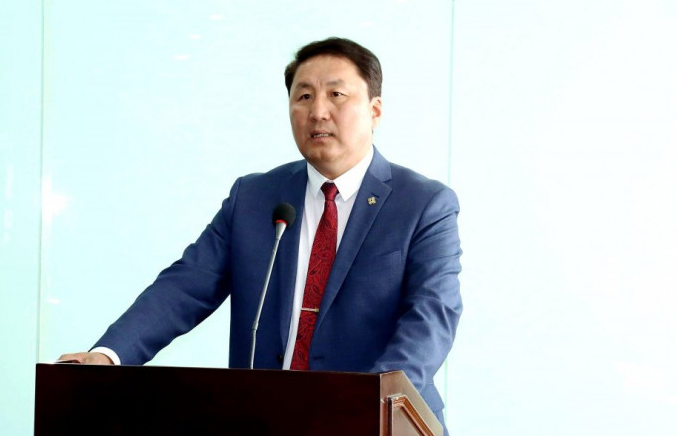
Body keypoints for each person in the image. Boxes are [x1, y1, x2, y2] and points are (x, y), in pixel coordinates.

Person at [60, 37, 462, 432]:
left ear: (375, 110)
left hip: (376, 422)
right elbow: (185, 286)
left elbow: (432, 315)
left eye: (336, 95)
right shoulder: (255, 198)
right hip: (265, 418)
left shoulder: (423, 204)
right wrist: (109, 355)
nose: (318, 112)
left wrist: (371, 400)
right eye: (304, 97)